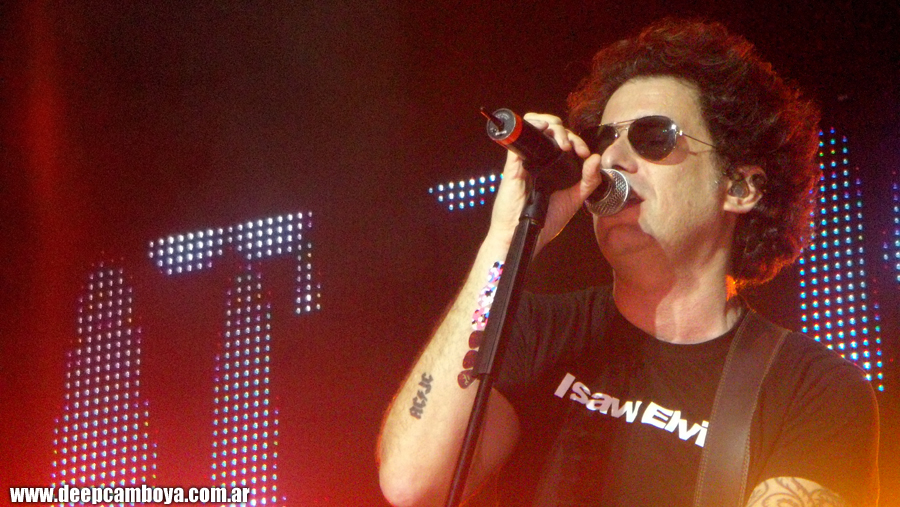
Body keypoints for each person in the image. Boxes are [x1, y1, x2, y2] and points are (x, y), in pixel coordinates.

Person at [377, 18, 879, 507]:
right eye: (605, 139)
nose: (612, 160)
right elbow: (412, 483)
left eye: (653, 137)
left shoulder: (812, 389)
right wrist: (506, 240)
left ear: (740, 188)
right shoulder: (530, 330)